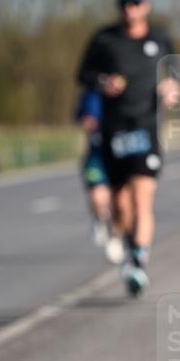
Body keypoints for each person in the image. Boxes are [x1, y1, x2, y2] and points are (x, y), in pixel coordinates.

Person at [76, 0, 180, 296]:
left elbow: (174, 67)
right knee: (121, 206)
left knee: (142, 197)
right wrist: (103, 81)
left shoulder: (159, 38)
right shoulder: (105, 39)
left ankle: (137, 263)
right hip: (114, 130)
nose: (129, 9)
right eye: (124, 4)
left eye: (135, 3)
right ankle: (124, 243)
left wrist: (171, 86)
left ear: (145, 6)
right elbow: (82, 74)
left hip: (146, 127)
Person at [74, 88, 124, 264]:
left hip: (121, 153)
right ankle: (99, 218)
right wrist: (89, 121)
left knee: (119, 203)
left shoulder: (130, 88)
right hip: (97, 155)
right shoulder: (92, 92)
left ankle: (114, 237)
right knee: (97, 196)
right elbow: (82, 117)